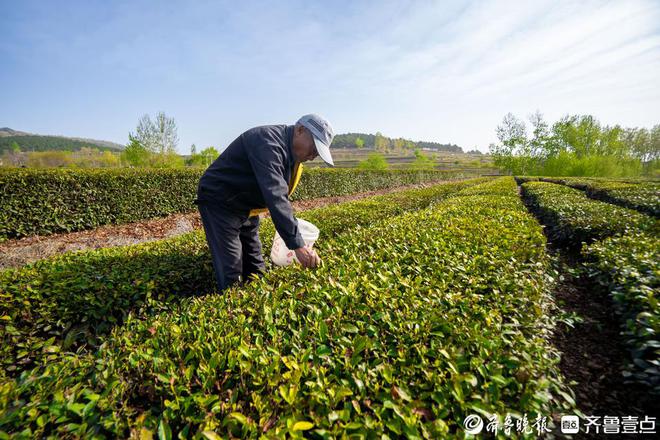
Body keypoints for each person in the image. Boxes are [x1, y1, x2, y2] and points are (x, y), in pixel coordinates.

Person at [194, 114, 335, 292]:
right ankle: (232, 309)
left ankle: (255, 304)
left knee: (255, 264)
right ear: (300, 130)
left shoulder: (292, 155)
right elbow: (276, 195)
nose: (314, 156)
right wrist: (298, 245)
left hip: (246, 204)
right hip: (220, 201)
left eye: (318, 153)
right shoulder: (267, 142)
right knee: (231, 269)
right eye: (314, 147)